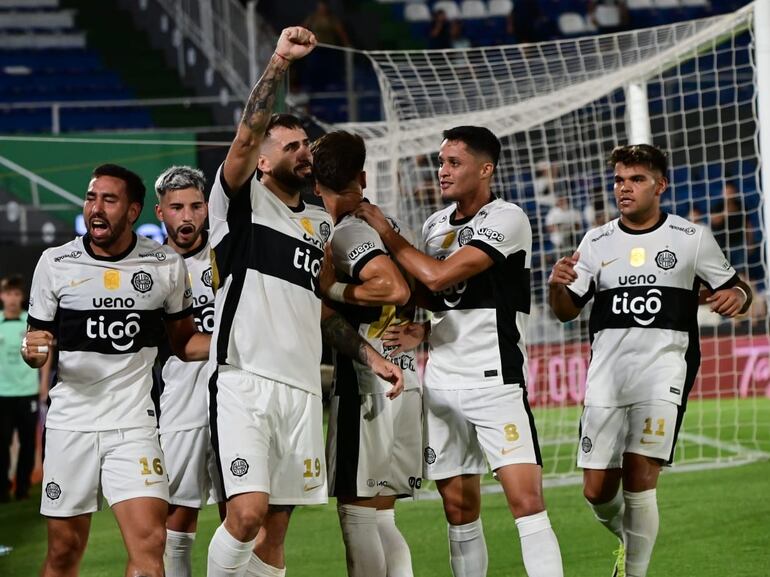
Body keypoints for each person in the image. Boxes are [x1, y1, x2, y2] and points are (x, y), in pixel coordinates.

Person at [204, 27, 403, 577]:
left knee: (276, 528)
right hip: (245, 379)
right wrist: (279, 64)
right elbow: (246, 136)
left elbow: (313, 306)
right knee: (245, 515)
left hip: (301, 386)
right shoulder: (238, 203)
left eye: (304, 145)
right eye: (289, 146)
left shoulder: (317, 224)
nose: (303, 152)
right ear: (263, 162)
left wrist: (368, 353)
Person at [357, 125, 564, 577]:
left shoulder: (507, 218)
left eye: (454, 162)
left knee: (526, 502)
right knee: (457, 507)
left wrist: (387, 233)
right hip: (443, 381)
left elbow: (438, 277)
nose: (442, 171)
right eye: (441, 161)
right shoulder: (435, 224)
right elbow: (440, 297)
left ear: (485, 169)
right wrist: (423, 331)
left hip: (494, 379)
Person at [547, 144, 752, 577]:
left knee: (641, 479)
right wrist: (557, 285)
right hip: (606, 378)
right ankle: (629, 536)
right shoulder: (596, 240)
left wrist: (738, 295)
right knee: (597, 491)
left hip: (665, 372)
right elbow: (566, 310)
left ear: (660, 185)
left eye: (636, 179)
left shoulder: (691, 238)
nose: (624, 188)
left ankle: (634, 571)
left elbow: (737, 287)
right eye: (619, 179)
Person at [22, 163, 211, 577]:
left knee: (151, 545)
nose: (96, 208)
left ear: (133, 211)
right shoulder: (56, 263)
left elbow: (183, 343)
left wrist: (241, 344)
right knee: (63, 554)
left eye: (109, 199)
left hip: (133, 425)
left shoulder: (163, 265)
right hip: (72, 422)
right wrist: (32, 350)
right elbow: (36, 344)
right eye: (92, 198)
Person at [312, 130, 420, 577]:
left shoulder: (348, 231)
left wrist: (330, 288)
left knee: (355, 512)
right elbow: (413, 288)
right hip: (403, 383)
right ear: (361, 176)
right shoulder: (381, 223)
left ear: (315, 184)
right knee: (381, 516)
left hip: (367, 389)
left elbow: (392, 286)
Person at [153, 166, 225, 577]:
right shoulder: (150, 268)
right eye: (177, 207)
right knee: (179, 514)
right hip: (180, 404)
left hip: (234, 396)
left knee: (239, 509)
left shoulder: (228, 254)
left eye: (196, 206)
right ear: (159, 211)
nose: (187, 216)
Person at [0, 274, 49, 502]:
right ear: (2, 296)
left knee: (29, 443)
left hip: (27, 391)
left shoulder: (29, 323)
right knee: (2, 443)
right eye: (8, 293)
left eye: (16, 294)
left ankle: (23, 487)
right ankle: (2, 488)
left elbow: (45, 353)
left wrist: (43, 383)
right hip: (2, 393)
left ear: (22, 298)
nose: (11, 299)